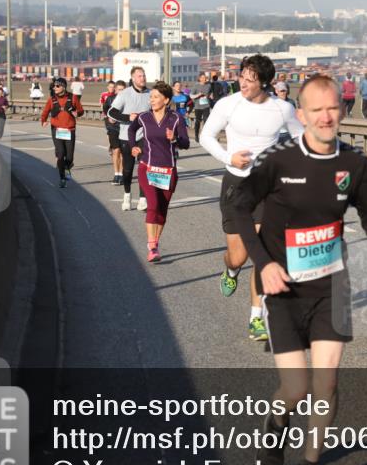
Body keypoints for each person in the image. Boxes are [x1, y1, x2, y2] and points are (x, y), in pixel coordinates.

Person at [232, 74, 367, 465]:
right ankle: (275, 427)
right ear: (302, 115)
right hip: (283, 288)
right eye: (317, 110)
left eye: (332, 108)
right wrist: (264, 264)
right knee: (297, 389)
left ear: (341, 110)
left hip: (331, 284)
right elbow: (239, 209)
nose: (326, 117)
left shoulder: (355, 163)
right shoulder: (279, 161)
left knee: (326, 383)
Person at [200, 54, 303, 341]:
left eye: (250, 80)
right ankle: (230, 271)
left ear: (265, 83)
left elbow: (300, 138)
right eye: (242, 77)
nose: (243, 83)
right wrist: (228, 157)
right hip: (236, 184)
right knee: (238, 256)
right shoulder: (228, 104)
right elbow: (206, 136)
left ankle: (256, 317)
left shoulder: (283, 109)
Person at [129, 81, 190, 263]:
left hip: (168, 170)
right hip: (147, 167)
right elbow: (131, 129)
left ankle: (155, 243)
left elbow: (186, 143)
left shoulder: (176, 118)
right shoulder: (144, 117)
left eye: (156, 97)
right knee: (153, 204)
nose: (152, 100)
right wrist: (133, 146)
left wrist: (175, 138)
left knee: (162, 210)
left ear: (166, 100)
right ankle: (152, 245)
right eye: (151, 97)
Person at [107, 67, 151, 210]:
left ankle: (143, 199)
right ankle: (127, 195)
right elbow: (111, 112)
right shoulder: (125, 94)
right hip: (126, 136)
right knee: (128, 169)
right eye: (139, 76)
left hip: (144, 136)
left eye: (144, 75)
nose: (143, 78)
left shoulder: (150, 94)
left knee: (144, 167)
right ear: (133, 78)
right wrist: (128, 117)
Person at [40, 77, 85, 188]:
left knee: (69, 157)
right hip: (57, 129)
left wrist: (77, 113)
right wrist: (43, 121)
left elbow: (81, 111)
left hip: (70, 130)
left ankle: (67, 167)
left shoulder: (73, 98)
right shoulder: (51, 100)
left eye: (57, 86)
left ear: (63, 87)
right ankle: (62, 178)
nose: (54, 88)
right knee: (60, 155)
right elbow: (45, 112)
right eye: (54, 86)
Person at [103, 80, 126, 184]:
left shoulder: (128, 100)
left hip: (124, 128)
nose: (121, 92)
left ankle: (122, 174)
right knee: (116, 151)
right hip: (113, 128)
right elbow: (105, 110)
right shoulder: (110, 99)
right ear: (115, 90)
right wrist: (109, 118)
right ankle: (116, 174)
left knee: (123, 152)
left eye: (123, 90)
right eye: (119, 89)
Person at [190, 72, 213, 142]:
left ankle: (205, 135)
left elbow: (210, 92)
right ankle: (196, 135)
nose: (204, 79)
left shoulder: (208, 85)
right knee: (198, 121)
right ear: (199, 78)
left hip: (206, 105)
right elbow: (191, 96)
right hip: (198, 106)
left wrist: (211, 96)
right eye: (202, 78)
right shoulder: (196, 86)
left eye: (205, 78)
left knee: (206, 120)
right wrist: (198, 95)